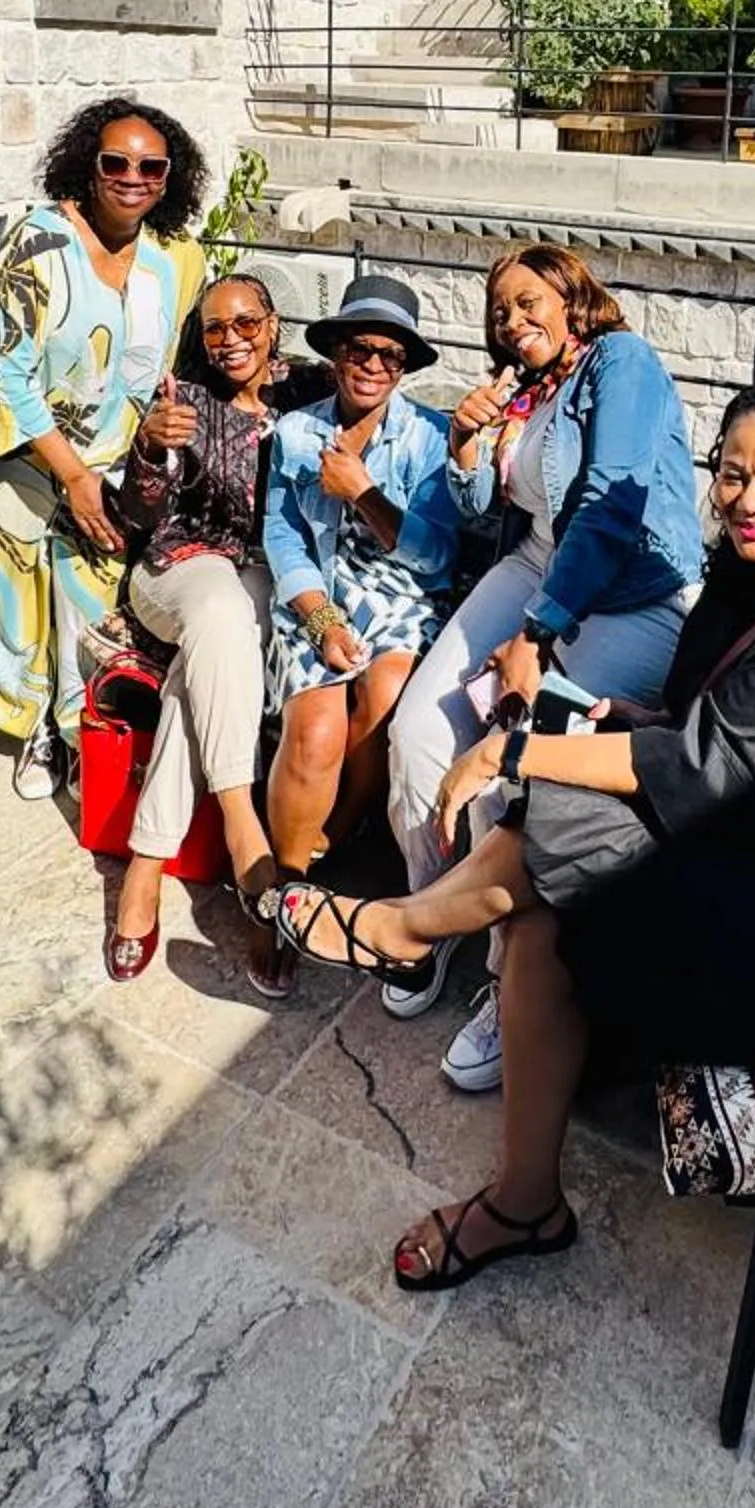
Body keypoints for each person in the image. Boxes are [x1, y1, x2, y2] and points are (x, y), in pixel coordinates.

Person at [278, 379, 755, 1290]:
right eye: (732, 475)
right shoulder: (747, 579)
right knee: (551, 907)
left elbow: (705, 763)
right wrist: (613, 717)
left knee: (563, 820)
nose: (748, 500)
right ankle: (525, 1202)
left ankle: (407, 926)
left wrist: (515, 751)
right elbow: (700, 724)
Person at [384, 242, 704, 1088]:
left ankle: (510, 984)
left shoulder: (621, 362)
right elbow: (483, 506)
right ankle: (429, 918)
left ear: (571, 297)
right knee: (419, 732)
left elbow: (610, 507)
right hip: (539, 564)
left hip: (636, 590)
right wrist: (465, 443)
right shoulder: (525, 391)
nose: (513, 320)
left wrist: (537, 632)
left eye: (529, 301)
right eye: (500, 311)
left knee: (512, 776)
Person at [0, 99, 209, 800]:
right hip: (27, 461)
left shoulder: (170, 261)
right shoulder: (38, 242)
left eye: (151, 167)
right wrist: (70, 473)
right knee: (14, 608)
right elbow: (6, 370)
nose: (133, 177)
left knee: (87, 604)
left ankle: (79, 735)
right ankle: (32, 730)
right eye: (116, 162)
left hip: (110, 474)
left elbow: (164, 369)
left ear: (169, 178)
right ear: (87, 165)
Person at [261, 277, 457, 984]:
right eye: (359, 350)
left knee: (386, 698)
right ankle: (283, 894)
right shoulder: (296, 432)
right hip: (319, 590)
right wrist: (319, 618)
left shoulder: (430, 438)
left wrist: (364, 493)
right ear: (336, 354)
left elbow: (437, 555)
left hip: (400, 592)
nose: (373, 365)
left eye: (390, 355)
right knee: (316, 731)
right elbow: (282, 536)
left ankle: (337, 834)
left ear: (404, 366)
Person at [107, 273, 293, 993]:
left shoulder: (305, 391)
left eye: (246, 323)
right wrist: (148, 449)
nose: (231, 340)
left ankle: (146, 863)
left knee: (213, 656)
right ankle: (245, 830)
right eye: (216, 327)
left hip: (265, 573)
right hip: (177, 567)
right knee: (219, 612)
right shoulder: (184, 400)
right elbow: (138, 516)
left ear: (272, 324)